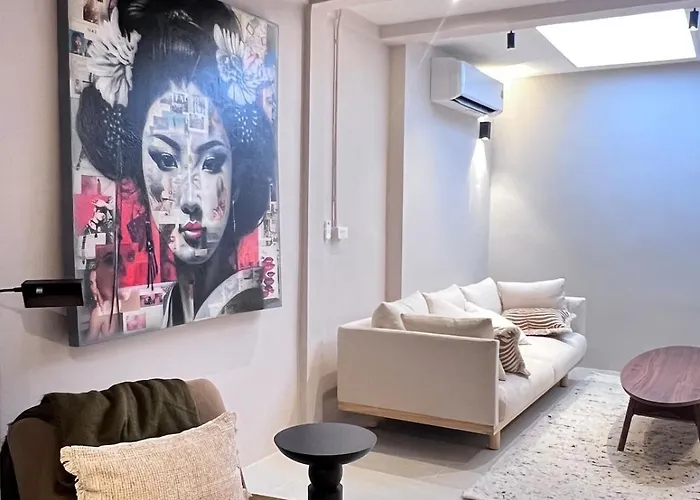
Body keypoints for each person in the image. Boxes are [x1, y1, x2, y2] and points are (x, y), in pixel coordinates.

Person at [76, 0, 277, 334]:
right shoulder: (166, 306)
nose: (189, 199)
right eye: (166, 161)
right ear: (141, 171)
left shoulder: (244, 299)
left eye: (211, 163)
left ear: (237, 177)